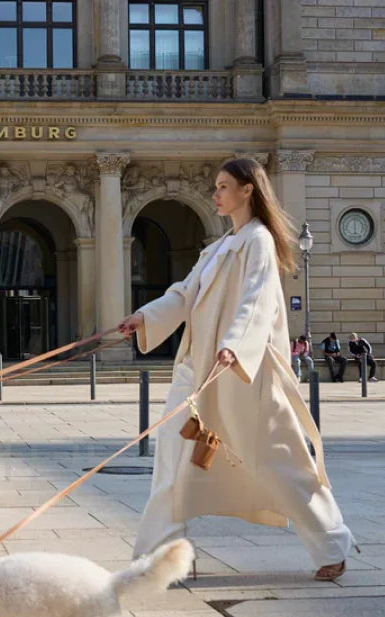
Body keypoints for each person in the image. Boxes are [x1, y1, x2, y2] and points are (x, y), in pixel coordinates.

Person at [115, 157, 355, 581]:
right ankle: (162, 558)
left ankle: (331, 543)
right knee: (171, 458)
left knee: (276, 461)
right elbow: (185, 295)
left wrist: (233, 347)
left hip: (243, 374)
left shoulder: (259, 241)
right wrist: (145, 317)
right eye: (216, 186)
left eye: (224, 186)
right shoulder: (220, 246)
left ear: (248, 189)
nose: (216, 193)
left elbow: (256, 300)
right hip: (199, 370)